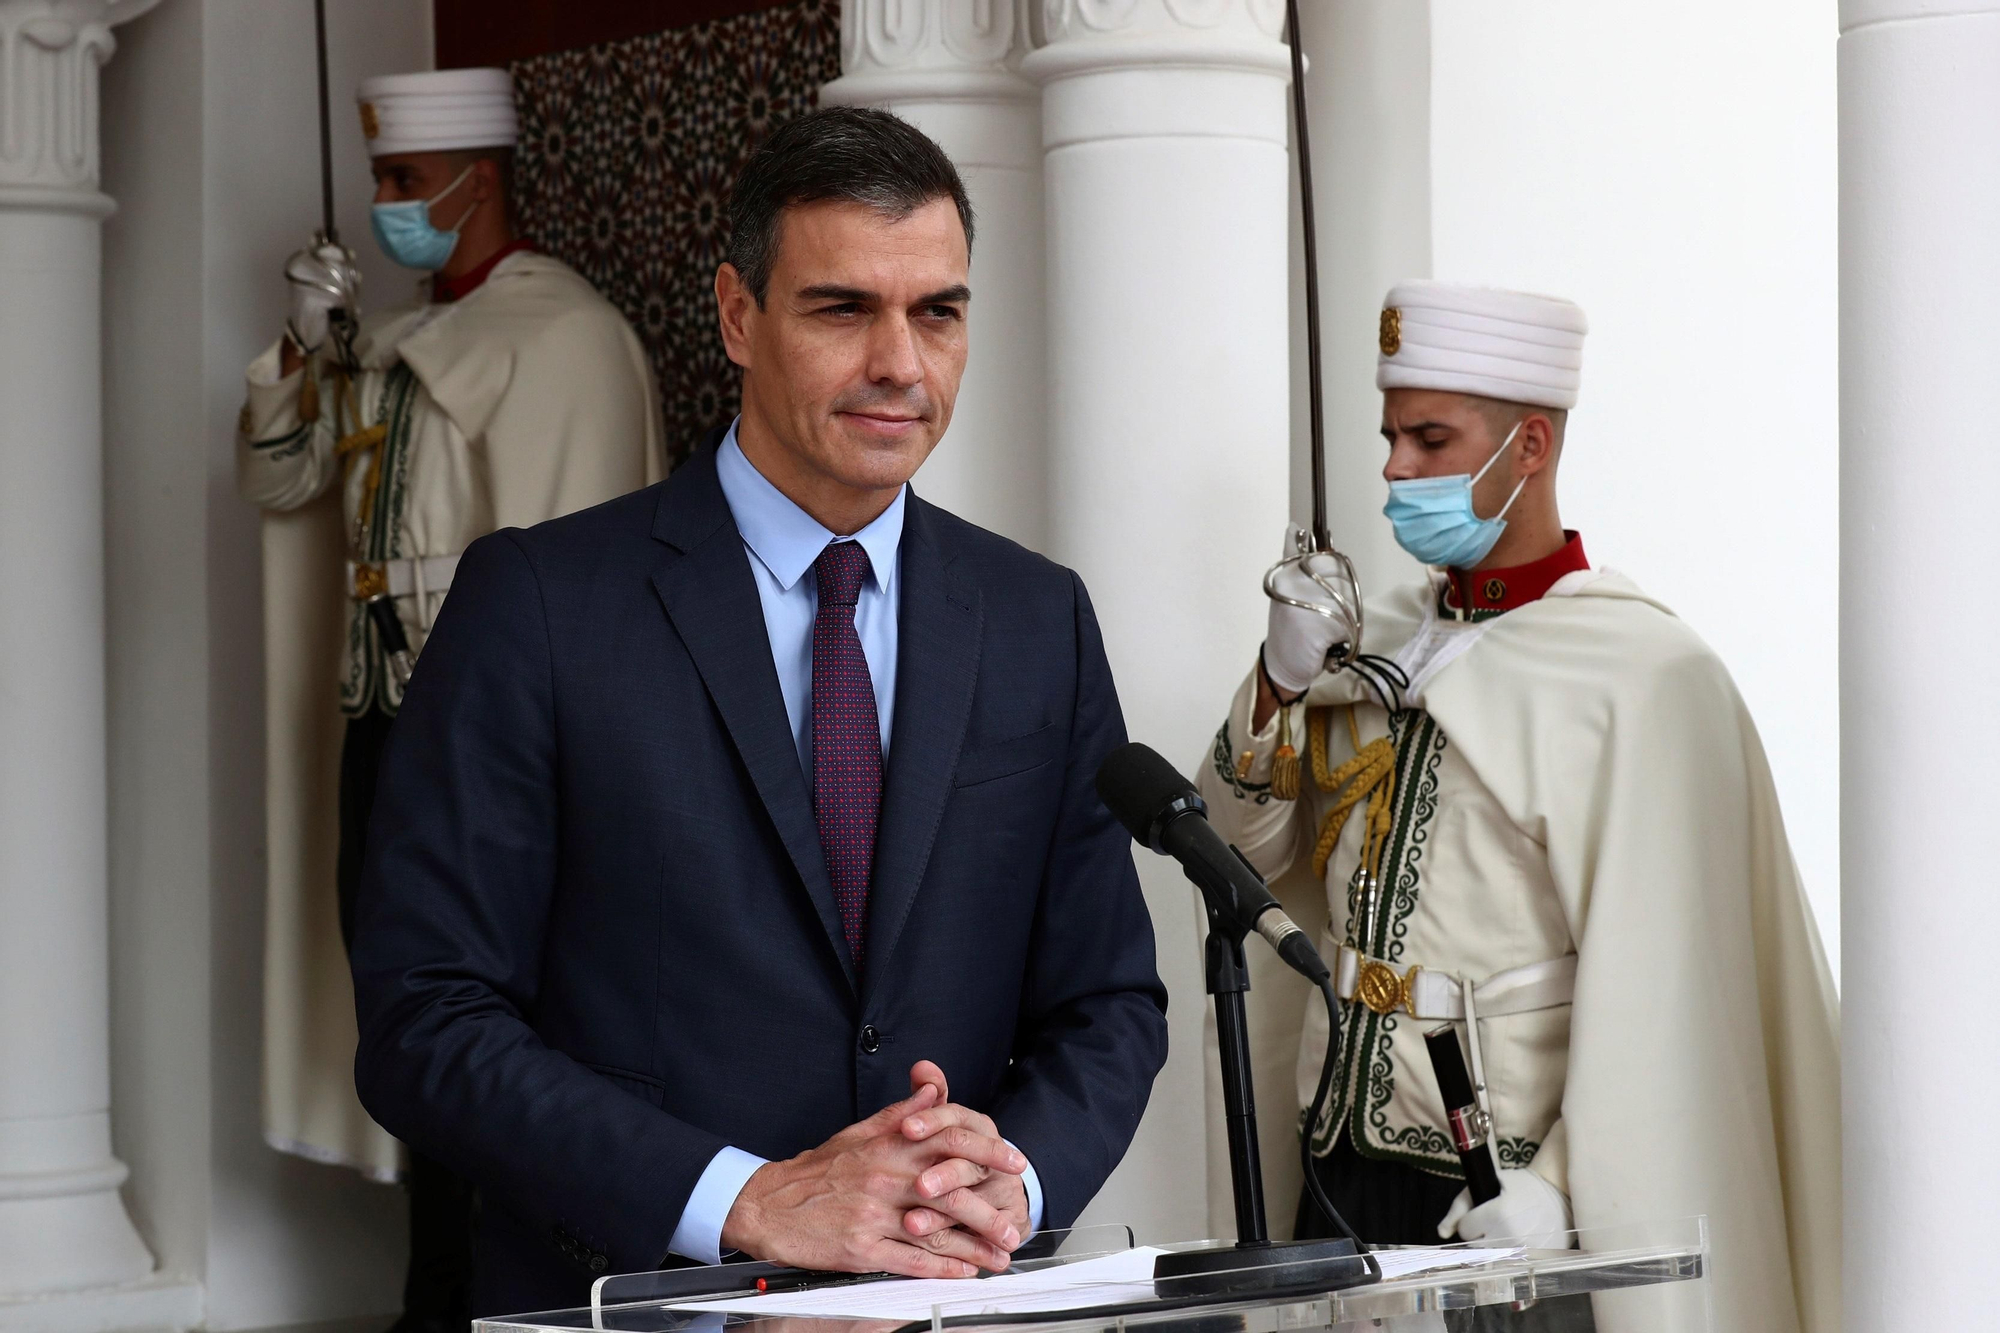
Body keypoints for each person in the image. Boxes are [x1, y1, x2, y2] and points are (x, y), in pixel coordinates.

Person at [345, 106, 1170, 1317]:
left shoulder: (1034, 616)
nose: (901, 361)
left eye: (937, 311)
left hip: (954, 1298)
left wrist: (1008, 1183)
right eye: (843, 308)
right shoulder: (540, 600)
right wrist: (739, 1198)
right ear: (737, 314)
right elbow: (424, 1016)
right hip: (641, 1301)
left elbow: (1106, 1000)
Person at [1197, 282, 1838, 1332]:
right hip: (1336, 1163)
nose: (1396, 469)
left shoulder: (1643, 674)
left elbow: (1669, 994)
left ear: (1528, 446)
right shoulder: (1376, 640)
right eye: (1389, 438)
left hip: (1503, 1197)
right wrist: (1273, 683)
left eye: (1429, 438)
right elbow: (1242, 855)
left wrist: (1565, 1183)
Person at [237, 67, 665, 1333]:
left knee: (493, 1016)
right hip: (378, 724)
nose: (387, 207)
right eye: (379, 182)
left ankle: (487, 1295)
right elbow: (281, 487)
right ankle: (434, 1286)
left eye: (404, 184)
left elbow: (580, 560)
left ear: (481, 183)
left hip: (494, 745)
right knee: (404, 1010)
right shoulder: (395, 339)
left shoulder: (564, 336)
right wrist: (303, 348)